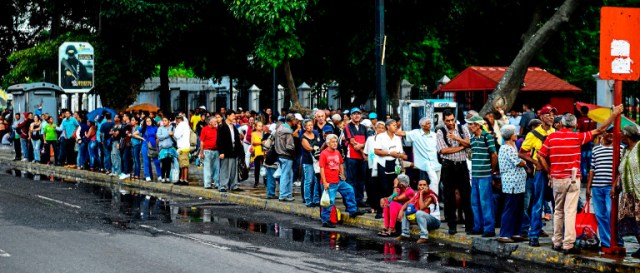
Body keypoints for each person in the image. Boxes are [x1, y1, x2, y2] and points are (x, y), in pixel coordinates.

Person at [537, 105, 622, 254]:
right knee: (570, 211)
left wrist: (549, 171)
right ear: (575, 125)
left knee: (558, 211)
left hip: (557, 178)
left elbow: (540, 155)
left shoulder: (551, 137)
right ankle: (568, 244)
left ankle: (556, 241)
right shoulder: (577, 137)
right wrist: (614, 115)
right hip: (573, 178)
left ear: (562, 124)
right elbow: (600, 130)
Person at [518, 105, 556, 247]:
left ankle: (557, 236)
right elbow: (521, 153)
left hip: (554, 173)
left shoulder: (555, 132)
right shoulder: (533, 134)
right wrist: (535, 162)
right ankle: (533, 235)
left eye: (553, 114)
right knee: (537, 204)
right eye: (548, 114)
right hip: (539, 173)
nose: (551, 116)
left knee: (555, 206)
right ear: (541, 117)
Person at [436, 109, 473, 235]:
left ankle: (469, 225)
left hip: (462, 165)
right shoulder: (440, 131)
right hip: (448, 166)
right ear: (444, 121)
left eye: (452, 120)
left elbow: (469, 142)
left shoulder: (463, 129)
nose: (450, 123)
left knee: (466, 195)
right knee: (449, 197)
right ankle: (452, 225)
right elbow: (443, 150)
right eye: (448, 121)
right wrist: (461, 147)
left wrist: (457, 138)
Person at [319, 134, 365, 228]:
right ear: (328, 143)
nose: (335, 143)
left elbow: (340, 164)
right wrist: (324, 182)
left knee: (349, 190)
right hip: (329, 182)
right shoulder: (324, 153)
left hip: (338, 180)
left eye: (336, 142)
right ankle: (325, 220)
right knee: (329, 201)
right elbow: (322, 168)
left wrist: (342, 174)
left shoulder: (337, 152)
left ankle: (352, 210)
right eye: (333, 142)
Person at [587, 126, 622, 250]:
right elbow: (592, 169)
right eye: (609, 132)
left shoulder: (620, 149)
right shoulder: (596, 149)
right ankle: (606, 243)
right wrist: (588, 186)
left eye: (613, 133)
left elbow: (621, 170)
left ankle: (617, 241)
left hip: (610, 188)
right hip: (597, 187)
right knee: (600, 215)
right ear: (603, 134)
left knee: (611, 214)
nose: (611, 134)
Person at [466, 115, 498, 237]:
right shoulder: (473, 138)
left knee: (485, 202)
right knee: (475, 201)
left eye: (471, 124)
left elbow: (494, 155)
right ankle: (478, 226)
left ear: (478, 125)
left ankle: (489, 228)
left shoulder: (487, 137)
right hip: (475, 175)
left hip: (485, 175)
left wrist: (491, 171)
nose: (469, 126)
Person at [497, 125, 528, 243]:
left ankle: (516, 232)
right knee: (510, 208)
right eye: (514, 132)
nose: (516, 134)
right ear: (510, 135)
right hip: (512, 184)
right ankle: (504, 234)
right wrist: (524, 162)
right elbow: (519, 162)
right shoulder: (507, 148)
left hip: (518, 184)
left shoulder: (512, 146)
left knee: (518, 209)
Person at [395, 117, 441, 196]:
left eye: (430, 123)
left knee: (436, 181)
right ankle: (434, 200)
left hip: (436, 161)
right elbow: (402, 133)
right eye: (427, 123)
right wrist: (391, 129)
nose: (429, 125)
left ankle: (426, 196)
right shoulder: (416, 133)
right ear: (422, 126)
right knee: (434, 180)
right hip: (426, 161)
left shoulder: (434, 135)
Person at [613, 125, 640, 258]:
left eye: (622, 134)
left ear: (628, 135)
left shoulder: (639, 147)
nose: (621, 136)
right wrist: (615, 186)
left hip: (638, 192)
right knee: (631, 220)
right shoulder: (625, 150)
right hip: (628, 193)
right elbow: (620, 170)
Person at [373, 119, 408, 218]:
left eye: (396, 125)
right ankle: (380, 210)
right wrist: (389, 153)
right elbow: (377, 151)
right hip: (383, 163)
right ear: (388, 126)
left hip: (395, 164)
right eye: (393, 125)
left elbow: (401, 153)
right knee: (382, 187)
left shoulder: (397, 138)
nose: (395, 126)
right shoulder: (380, 137)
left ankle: (390, 209)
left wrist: (402, 163)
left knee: (393, 187)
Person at [396, 179, 441, 244]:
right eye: (420, 185)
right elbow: (407, 203)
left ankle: (424, 237)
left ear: (427, 186)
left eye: (424, 185)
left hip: (435, 222)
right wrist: (401, 210)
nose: (422, 187)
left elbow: (422, 207)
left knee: (419, 213)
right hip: (423, 219)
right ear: (417, 186)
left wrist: (421, 194)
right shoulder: (417, 194)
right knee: (406, 212)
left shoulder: (431, 196)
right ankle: (405, 234)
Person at [344, 107, 368, 207]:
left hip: (362, 159)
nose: (357, 115)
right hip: (352, 157)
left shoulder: (363, 127)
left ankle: (359, 199)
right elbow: (353, 142)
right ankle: (351, 201)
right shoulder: (348, 126)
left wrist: (362, 147)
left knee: (361, 180)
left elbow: (367, 141)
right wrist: (363, 153)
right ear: (351, 116)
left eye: (358, 113)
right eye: (354, 114)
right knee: (351, 180)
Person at [217, 110, 244, 192]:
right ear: (228, 116)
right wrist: (221, 152)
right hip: (226, 151)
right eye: (232, 115)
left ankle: (234, 185)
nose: (234, 117)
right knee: (225, 169)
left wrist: (240, 151)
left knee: (234, 170)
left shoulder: (234, 128)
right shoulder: (222, 127)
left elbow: (237, 140)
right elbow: (219, 140)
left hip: (234, 151)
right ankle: (223, 186)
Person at [274, 114, 296, 201]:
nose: (296, 121)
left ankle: (288, 194)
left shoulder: (279, 128)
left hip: (280, 154)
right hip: (286, 155)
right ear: (292, 120)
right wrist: (294, 154)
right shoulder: (288, 131)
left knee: (288, 175)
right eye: (295, 120)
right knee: (285, 175)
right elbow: (289, 146)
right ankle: (283, 195)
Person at [301, 119, 321, 207]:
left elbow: (320, 143)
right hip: (308, 161)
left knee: (317, 180)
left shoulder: (316, 133)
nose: (310, 127)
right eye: (308, 125)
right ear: (304, 127)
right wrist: (316, 148)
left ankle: (316, 199)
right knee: (309, 180)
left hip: (317, 160)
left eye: (311, 125)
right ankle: (308, 200)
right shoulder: (303, 138)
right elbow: (309, 148)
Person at [137, 117, 162, 182]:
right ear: (145, 122)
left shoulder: (155, 128)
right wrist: (142, 138)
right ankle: (147, 176)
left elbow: (158, 136)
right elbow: (134, 134)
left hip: (153, 146)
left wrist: (157, 140)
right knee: (146, 161)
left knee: (156, 161)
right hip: (145, 146)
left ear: (152, 121)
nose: (148, 122)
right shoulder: (143, 128)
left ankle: (159, 175)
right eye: (147, 121)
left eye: (149, 121)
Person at [200, 116, 220, 189]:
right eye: (214, 121)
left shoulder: (217, 129)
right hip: (207, 150)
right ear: (210, 122)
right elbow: (202, 142)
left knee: (216, 168)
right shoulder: (204, 129)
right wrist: (201, 153)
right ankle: (207, 184)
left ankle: (216, 183)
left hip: (216, 150)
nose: (216, 122)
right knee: (207, 168)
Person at [172, 115, 191, 185]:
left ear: (178, 120)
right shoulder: (185, 125)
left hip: (183, 147)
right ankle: (182, 179)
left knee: (184, 165)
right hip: (184, 147)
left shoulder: (181, 125)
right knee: (182, 164)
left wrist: (173, 133)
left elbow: (177, 135)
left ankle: (185, 180)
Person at [157, 116, 177, 183]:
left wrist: (172, 135)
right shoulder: (160, 128)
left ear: (169, 121)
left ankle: (168, 177)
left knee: (169, 163)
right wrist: (168, 134)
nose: (164, 122)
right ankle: (163, 177)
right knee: (163, 163)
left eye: (165, 120)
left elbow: (175, 137)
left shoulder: (172, 128)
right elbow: (159, 137)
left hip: (170, 148)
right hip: (163, 149)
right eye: (163, 120)